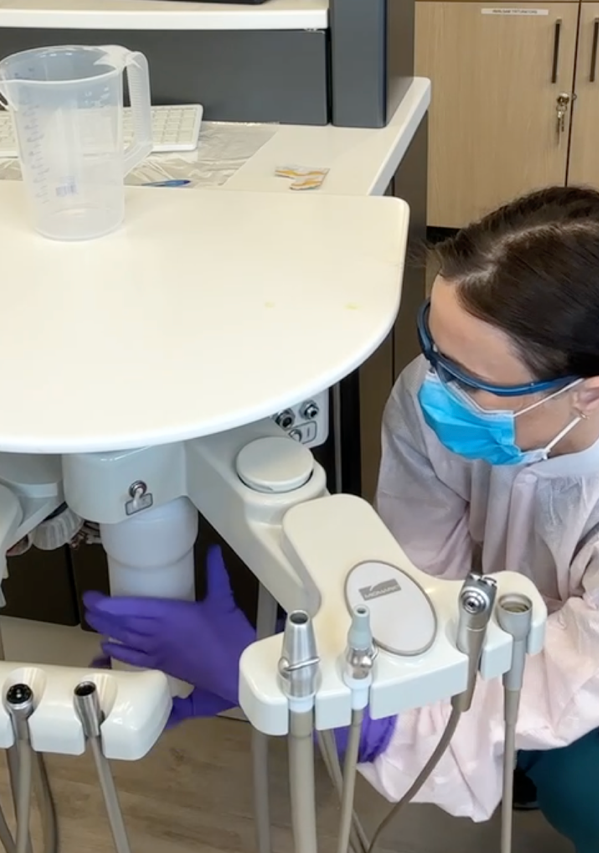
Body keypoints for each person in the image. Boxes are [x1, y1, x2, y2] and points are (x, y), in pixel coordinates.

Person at [84, 186, 599, 853]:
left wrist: (331, 709)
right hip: (536, 635)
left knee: (583, 788)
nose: (434, 386)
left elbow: (547, 691)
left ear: (585, 390)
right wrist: (331, 660)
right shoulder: (430, 395)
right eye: (432, 346)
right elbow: (418, 589)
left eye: (472, 381)